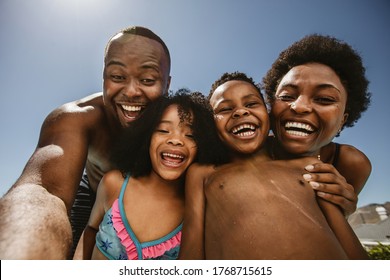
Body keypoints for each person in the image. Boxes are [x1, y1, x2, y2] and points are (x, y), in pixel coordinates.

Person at [0, 26, 172, 259]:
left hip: (153, 204)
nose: (131, 91)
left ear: (167, 84)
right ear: (104, 78)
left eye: (148, 79)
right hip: (91, 197)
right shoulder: (77, 118)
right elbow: (45, 192)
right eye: (118, 77)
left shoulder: (181, 125)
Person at [179, 72, 368, 259]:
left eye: (252, 104)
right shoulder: (203, 173)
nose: (240, 111)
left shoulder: (308, 165)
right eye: (225, 109)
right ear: (211, 126)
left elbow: (347, 241)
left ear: (268, 115)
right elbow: (192, 244)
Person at [74, 90, 226, 260]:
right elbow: (91, 229)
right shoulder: (114, 183)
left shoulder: (196, 211)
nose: (175, 140)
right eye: (163, 130)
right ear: (146, 137)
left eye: (190, 135)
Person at [262, 34, 372, 217]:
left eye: (324, 99)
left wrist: (344, 209)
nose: (299, 106)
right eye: (287, 96)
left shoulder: (351, 164)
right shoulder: (242, 154)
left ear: (343, 120)